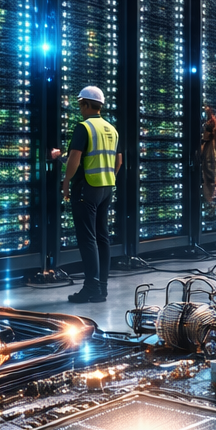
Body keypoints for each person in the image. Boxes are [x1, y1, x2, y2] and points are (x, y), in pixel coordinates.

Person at [60, 85, 122, 304]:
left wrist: (66, 181)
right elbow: (119, 160)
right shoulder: (111, 129)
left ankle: (90, 288)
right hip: (106, 188)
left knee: (88, 239)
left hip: (86, 187)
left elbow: (74, 158)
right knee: (102, 238)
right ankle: (101, 288)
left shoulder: (84, 128)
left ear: (86, 104)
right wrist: (109, 176)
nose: (80, 109)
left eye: (80, 104)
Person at [199, 105, 216, 207]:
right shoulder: (209, 124)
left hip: (214, 154)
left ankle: (209, 199)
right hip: (210, 154)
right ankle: (208, 199)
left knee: (213, 175)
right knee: (210, 175)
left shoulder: (213, 124)